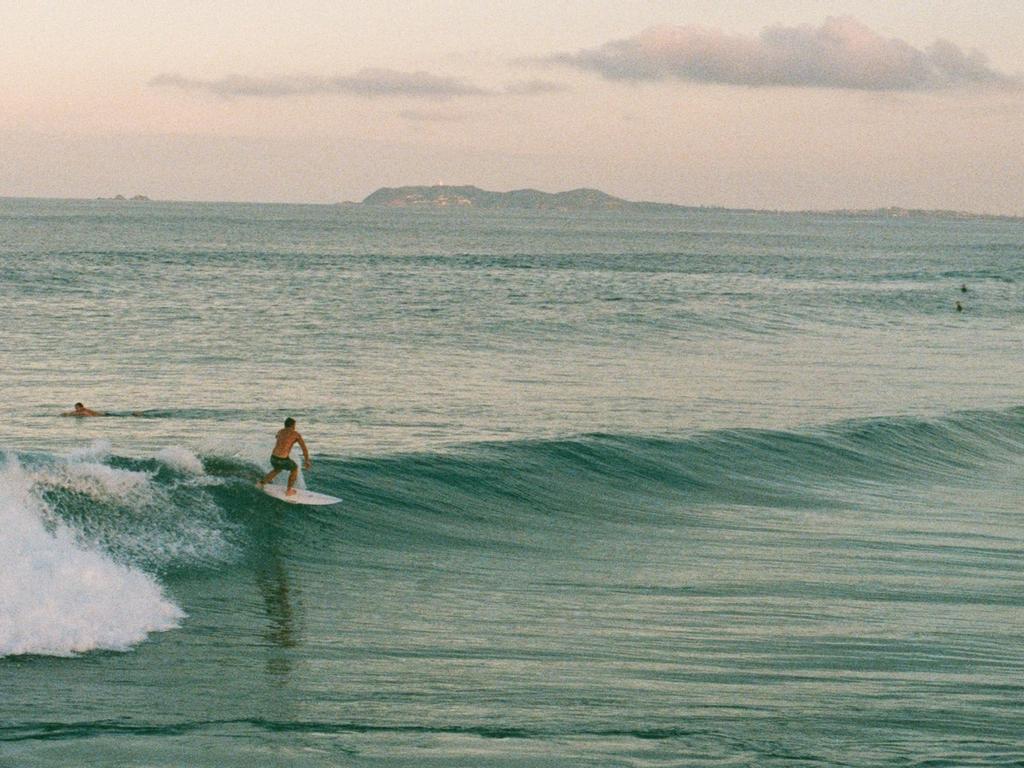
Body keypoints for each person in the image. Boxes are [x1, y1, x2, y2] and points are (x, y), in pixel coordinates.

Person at [258, 417, 311, 496]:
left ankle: (261, 483)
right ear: (292, 425)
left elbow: (277, 437)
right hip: (282, 459)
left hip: (273, 458)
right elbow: (304, 449)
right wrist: (307, 461)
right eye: (294, 425)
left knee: (277, 469)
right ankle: (289, 491)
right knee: (294, 469)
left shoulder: (280, 431)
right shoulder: (296, 434)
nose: (295, 427)